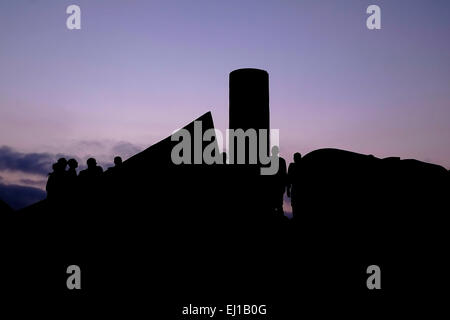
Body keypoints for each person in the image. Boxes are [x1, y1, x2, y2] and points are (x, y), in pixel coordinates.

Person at [287, 152, 302, 219]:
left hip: (296, 188)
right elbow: (289, 178)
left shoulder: (292, 166)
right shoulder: (294, 166)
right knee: (295, 204)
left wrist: (288, 189)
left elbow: (289, 178)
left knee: (295, 204)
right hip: (296, 188)